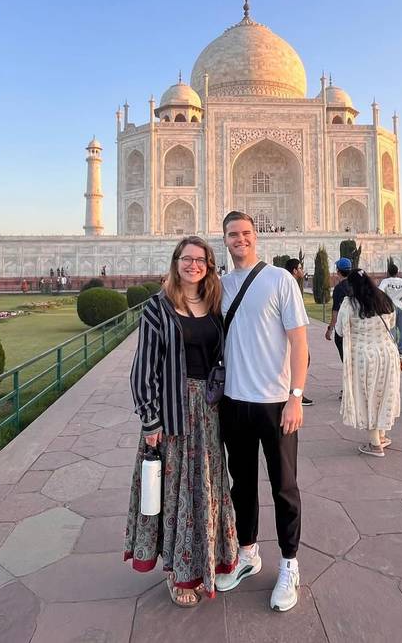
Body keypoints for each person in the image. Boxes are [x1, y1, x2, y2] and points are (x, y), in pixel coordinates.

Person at [124, 236, 237, 606]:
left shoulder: (214, 304)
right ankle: (177, 572)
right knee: (177, 492)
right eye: (187, 259)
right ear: (176, 263)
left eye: (200, 260)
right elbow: (143, 370)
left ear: (209, 265)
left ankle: (207, 564)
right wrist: (150, 421)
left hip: (209, 410)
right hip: (171, 413)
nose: (193, 265)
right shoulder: (158, 308)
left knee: (206, 487)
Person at [216, 211, 309, 612]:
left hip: (275, 404)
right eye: (233, 234)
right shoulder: (219, 287)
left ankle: (289, 564)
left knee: (284, 486)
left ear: (258, 237)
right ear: (225, 240)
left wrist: (295, 396)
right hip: (235, 403)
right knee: (243, 484)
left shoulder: (279, 280)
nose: (241, 239)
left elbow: (300, 344)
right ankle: (249, 553)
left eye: (246, 233)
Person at [337, 269, 400, 457]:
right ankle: (381, 436)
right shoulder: (384, 299)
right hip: (387, 353)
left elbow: (340, 331)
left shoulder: (350, 303)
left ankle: (375, 445)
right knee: (383, 393)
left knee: (367, 396)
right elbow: (392, 324)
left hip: (363, 356)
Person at [284, 258, 314, 406]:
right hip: (290, 334)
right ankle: (296, 394)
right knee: (301, 360)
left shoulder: (290, 282)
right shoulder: (289, 283)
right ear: (295, 270)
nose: (302, 271)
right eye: (300, 268)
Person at [378, 263, 402, 361]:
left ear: (388, 272)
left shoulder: (386, 281)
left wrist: (387, 297)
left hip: (390, 306)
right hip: (401, 306)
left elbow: (380, 291)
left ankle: (393, 348)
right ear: (397, 272)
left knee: (392, 328)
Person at [325, 258, 352, 361]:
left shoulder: (338, 289)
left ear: (338, 271)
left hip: (343, 328)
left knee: (346, 360)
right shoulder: (356, 285)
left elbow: (336, 312)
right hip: (356, 327)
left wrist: (330, 329)